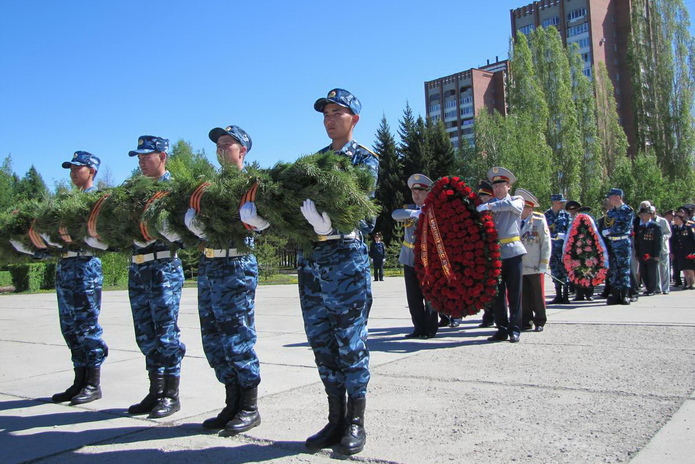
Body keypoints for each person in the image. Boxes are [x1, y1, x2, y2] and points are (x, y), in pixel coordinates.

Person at [298, 88, 378, 455]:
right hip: (313, 263)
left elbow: (361, 211)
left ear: (354, 119)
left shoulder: (364, 159)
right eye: (326, 113)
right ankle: (335, 419)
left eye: (337, 112)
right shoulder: (312, 162)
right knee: (322, 343)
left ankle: (356, 422)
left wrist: (329, 225)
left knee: (350, 343)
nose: (330, 119)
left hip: (346, 259)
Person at [184, 125, 265, 434]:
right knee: (214, 338)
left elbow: (264, 223)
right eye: (218, 145)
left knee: (238, 336)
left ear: (242, 150)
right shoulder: (208, 187)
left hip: (236, 266)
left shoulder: (252, 185)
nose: (220, 149)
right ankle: (231, 402)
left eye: (227, 144)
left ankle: (249, 406)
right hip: (210, 266)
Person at [125, 136, 186, 418]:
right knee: (146, 334)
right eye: (138, 157)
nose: (141, 161)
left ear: (162, 156)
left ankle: (171, 395)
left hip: (163, 268)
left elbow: (185, 232)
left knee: (165, 332)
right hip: (138, 268)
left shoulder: (174, 190)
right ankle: (155, 391)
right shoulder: (132, 192)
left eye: (146, 156)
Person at [46, 152, 108, 405]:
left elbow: (103, 236)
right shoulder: (68, 200)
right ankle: (79, 380)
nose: (73, 172)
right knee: (69, 326)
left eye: (77, 168)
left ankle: (93, 383)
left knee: (86, 326)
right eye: (70, 169)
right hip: (66, 264)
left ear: (91, 171)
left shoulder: (99, 200)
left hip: (85, 265)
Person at [477, 167, 526, 343]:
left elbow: (513, 207)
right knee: (496, 294)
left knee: (514, 293)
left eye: (501, 185)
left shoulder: (516, 200)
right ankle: (501, 328)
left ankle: (515, 329)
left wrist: (489, 205)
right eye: (495, 186)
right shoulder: (488, 205)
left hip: (512, 252)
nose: (497, 189)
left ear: (508, 187)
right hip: (494, 254)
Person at [392, 174, 439, 339]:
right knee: (413, 296)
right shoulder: (409, 210)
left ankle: (431, 328)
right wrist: (414, 213)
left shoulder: (434, 210)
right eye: (414, 192)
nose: (416, 195)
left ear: (428, 192)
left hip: (428, 259)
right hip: (408, 257)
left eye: (420, 191)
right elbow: (395, 214)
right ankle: (418, 327)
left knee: (429, 295)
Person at [516, 188, 550, 332]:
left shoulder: (539, 220)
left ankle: (540, 320)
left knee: (537, 295)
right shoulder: (514, 221)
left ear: (530, 209)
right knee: (523, 295)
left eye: (525, 208)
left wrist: (544, 263)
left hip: (535, 265)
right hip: (520, 265)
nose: (521, 210)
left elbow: (546, 243)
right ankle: (526, 320)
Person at [602, 188, 634, 305]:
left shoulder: (627, 210)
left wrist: (610, 231)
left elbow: (625, 227)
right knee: (614, 270)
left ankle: (625, 294)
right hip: (613, 243)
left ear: (617, 197)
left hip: (623, 242)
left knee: (624, 270)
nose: (609, 199)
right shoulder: (610, 213)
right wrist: (607, 231)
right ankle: (616, 294)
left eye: (611, 197)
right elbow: (607, 225)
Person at [545, 194, 571, 304]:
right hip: (551, 248)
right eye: (560, 202)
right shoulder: (546, 215)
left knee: (564, 271)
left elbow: (570, 230)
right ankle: (558, 295)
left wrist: (564, 236)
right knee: (555, 271)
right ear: (554, 202)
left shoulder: (566, 215)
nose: (562, 204)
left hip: (563, 249)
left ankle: (565, 295)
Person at [476, 180, 496, 328]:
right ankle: (488, 315)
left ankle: (494, 315)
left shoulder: (495, 210)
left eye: (485, 197)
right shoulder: (479, 211)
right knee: (486, 286)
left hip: (496, 252)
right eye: (481, 197)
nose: (482, 200)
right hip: (483, 253)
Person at [634, 205, 663, 295]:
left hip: (652, 253)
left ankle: (652, 289)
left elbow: (658, 242)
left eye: (645, 215)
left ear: (650, 215)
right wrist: (637, 253)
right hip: (642, 253)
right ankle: (647, 288)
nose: (643, 217)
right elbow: (637, 241)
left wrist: (657, 254)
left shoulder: (655, 226)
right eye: (642, 215)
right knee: (644, 272)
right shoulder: (640, 227)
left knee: (652, 272)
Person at [670, 208, 695, 289]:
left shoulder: (688, 227)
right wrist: (672, 252)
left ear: (681, 219)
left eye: (677, 219)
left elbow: (693, 238)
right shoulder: (675, 228)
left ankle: (693, 282)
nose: (675, 220)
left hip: (689, 250)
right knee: (683, 268)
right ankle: (687, 283)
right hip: (680, 251)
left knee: (690, 267)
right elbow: (673, 241)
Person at [652, 206, 672, 294]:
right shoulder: (648, 222)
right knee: (655, 269)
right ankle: (657, 287)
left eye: (652, 212)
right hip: (653, 249)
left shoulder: (663, 221)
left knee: (664, 269)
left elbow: (669, 233)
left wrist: (662, 238)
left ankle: (665, 288)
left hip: (663, 248)